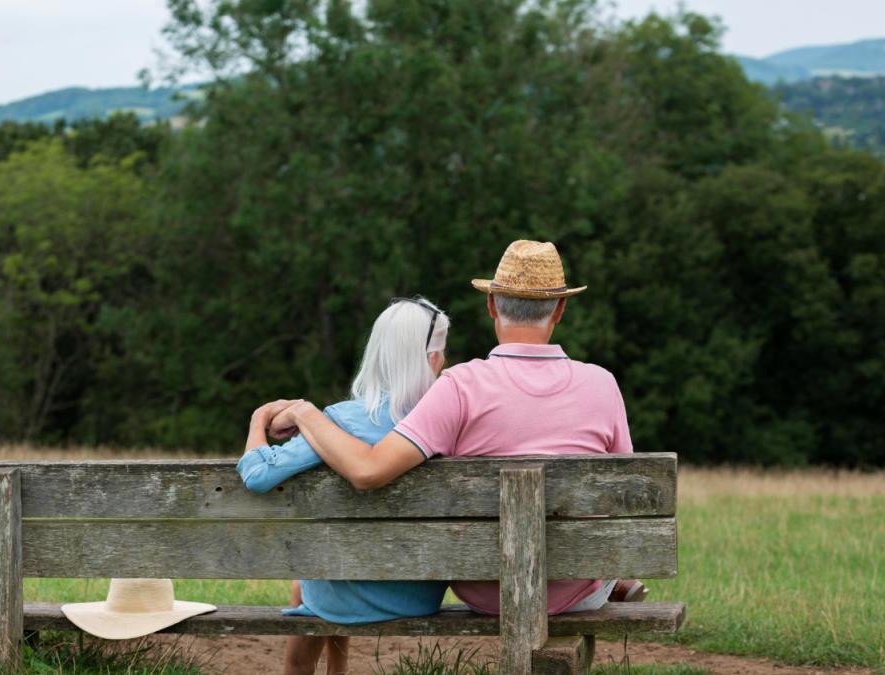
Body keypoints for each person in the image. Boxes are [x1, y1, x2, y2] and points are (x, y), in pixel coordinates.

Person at [268, 240, 646, 620]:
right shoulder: (603, 385)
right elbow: (622, 495)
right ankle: (618, 583)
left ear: (492, 305)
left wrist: (306, 414)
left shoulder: (459, 386)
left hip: (485, 590)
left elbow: (368, 471)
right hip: (575, 588)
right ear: (560, 309)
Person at [239, 297, 452, 675]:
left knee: (310, 578)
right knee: (324, 572)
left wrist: (258, 420)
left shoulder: (341, 422)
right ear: (432, 359)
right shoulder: (447, 421)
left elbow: (257, 476)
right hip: (419, 594)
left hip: (347, 592)